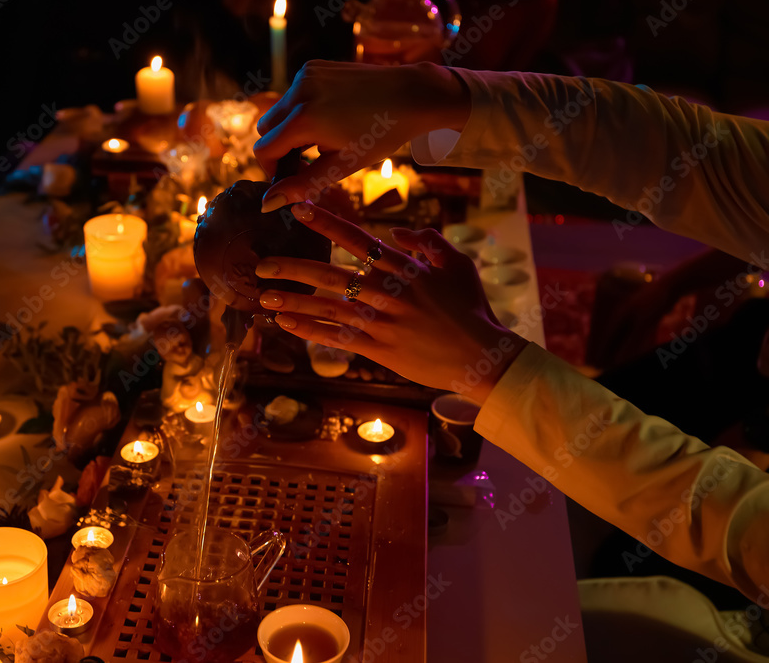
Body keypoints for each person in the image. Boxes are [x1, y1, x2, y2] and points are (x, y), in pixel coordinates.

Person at [250, 60, 769, 603]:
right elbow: (698, 157)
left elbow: (733, 527)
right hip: (745, 348)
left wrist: (494, 369)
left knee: (564, 584)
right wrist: (440, 94)